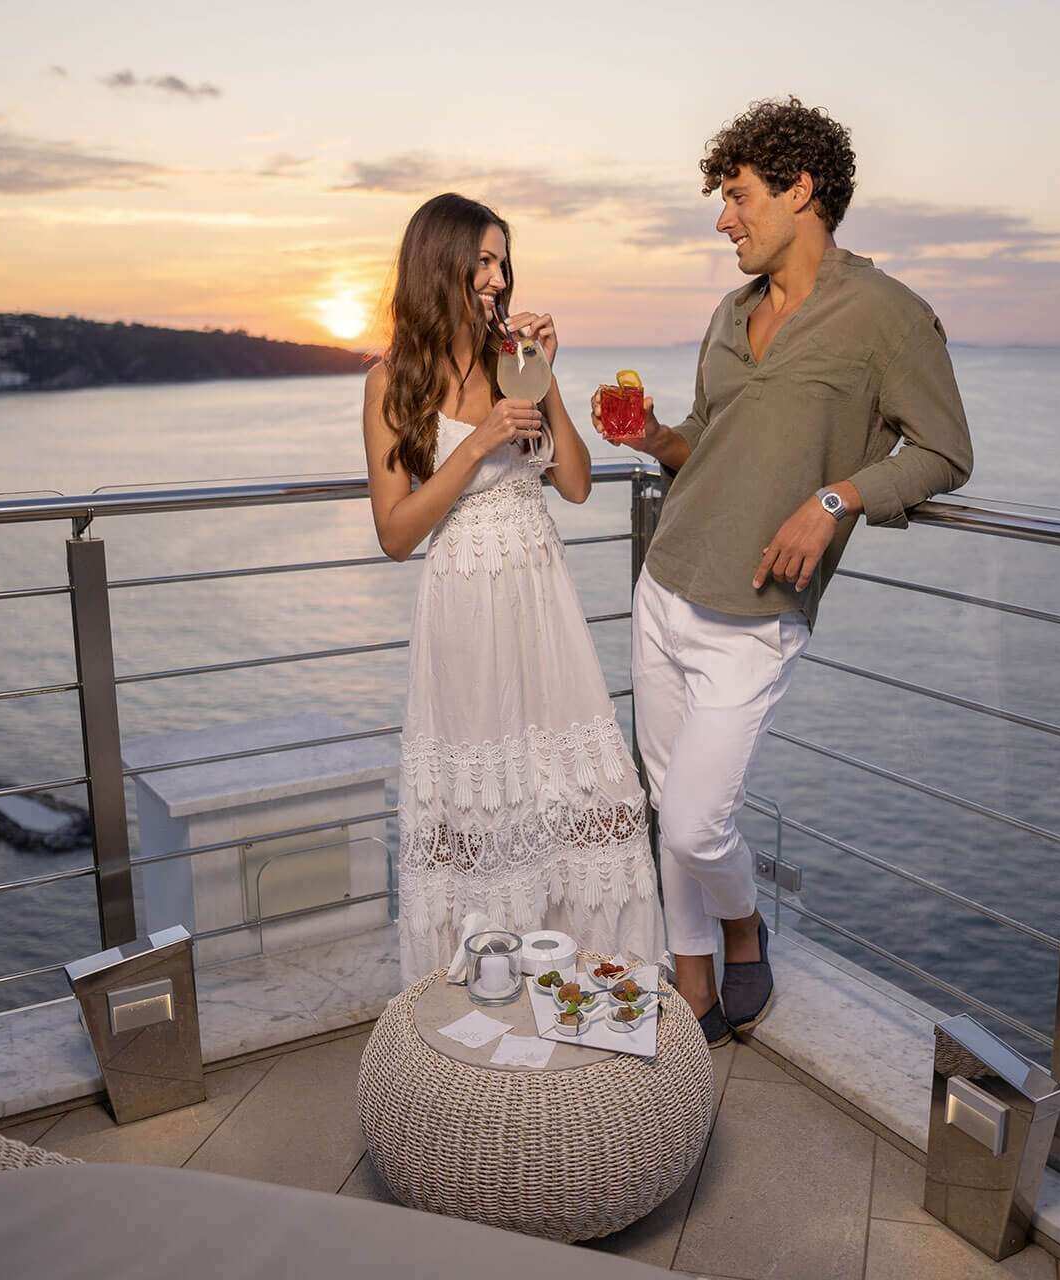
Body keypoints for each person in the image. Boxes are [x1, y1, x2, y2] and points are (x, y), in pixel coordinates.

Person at [596, 98, 975, 1046]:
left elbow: (944, 451)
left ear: (800, 191)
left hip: (755, 614)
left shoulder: (886, 316)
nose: (723, 218)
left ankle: (741, 925)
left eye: (737, 196)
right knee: (662, 796)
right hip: (665, 580)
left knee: (692, 823)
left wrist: (838, 497)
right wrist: (655, 439)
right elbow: (708, 446)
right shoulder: (732, 311)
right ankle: (691, 984)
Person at [364, 193, 663, 983]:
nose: (498, 278)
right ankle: (480, 993)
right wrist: (478, 444)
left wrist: (547, 380)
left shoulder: (516, 359)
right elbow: (396, 533)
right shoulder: (392, 380)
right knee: (485, 802)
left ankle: (594, 986)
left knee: (580, 788)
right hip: (465, 603)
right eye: (484, 261)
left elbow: (574, 483)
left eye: (503, 261)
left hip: (541, 594)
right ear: (442, 266)